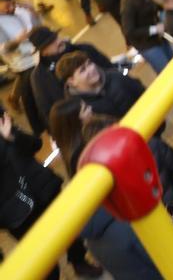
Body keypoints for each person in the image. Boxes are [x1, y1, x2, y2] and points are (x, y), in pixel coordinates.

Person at [0, 107, 104, 278]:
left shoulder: (3, 121)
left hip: (42, 187)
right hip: (17, 212)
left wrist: (13, 136)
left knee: (71, 228)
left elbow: (36, 144)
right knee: (42, 257)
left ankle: (79, 261)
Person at [28, 27, 113, 131]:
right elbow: (48, 114)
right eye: (51, 42)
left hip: (113, 102)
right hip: (85, 127)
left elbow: (112, 72)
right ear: (43, 52)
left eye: (55, 37)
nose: (58, 41)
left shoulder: (85, 49)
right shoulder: (39, 77)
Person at [54, 51, 144, 119]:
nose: (91, 69)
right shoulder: (79, 110)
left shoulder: (115, 76)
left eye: (89, 64)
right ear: (71, 81)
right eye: (83, 70)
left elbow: (142, 93)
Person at [0, 0, 42, 132]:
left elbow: (38, 25)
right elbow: (3, 49)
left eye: (13, 3)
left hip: (36, 50)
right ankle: (38, 126)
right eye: (7, 5)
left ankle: (14, 99)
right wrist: (17, 40)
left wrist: (32, 10)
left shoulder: (18, 9)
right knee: (29, 90)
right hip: (22, 61)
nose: (11, 7)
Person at [120, 0, 173, 73]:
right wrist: (154, 29)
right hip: (146, 44)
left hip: (159, 37)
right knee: (166, 71)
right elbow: (128, 31)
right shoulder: (128, 3)